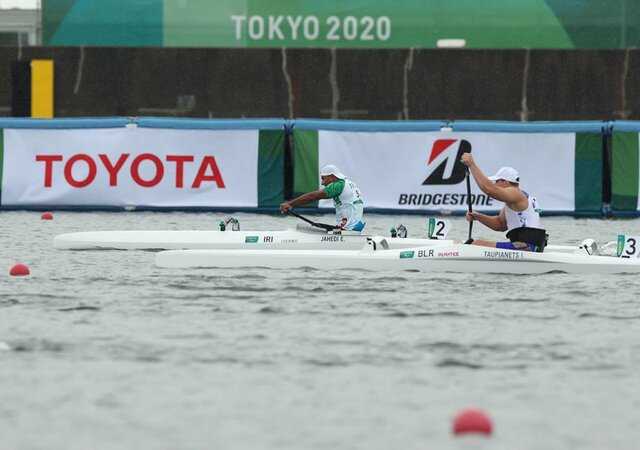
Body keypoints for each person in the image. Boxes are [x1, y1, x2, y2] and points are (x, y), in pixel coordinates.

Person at [460, 153, 547, 252]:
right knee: (476, 244)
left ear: (506, 183)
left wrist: (472, 165)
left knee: (476, 244)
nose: (494, 184)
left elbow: (489, 190)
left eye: (497, 181)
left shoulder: (516, 193)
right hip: (527, 245)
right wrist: (478, 216)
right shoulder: (514, 201)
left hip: (526, 246)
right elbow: (500, 224)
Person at [279, 164, 366, 231]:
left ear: (332, 177)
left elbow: (313, 196)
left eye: (323, 178)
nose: (322, 183)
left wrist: (290, 203)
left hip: (348, 229)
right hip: (354, 226)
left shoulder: (338, 186)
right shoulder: (349, 183)